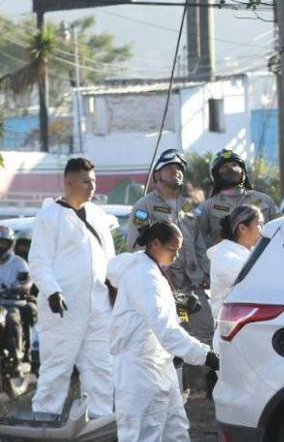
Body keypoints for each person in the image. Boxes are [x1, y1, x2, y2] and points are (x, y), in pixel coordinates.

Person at [107, 222, 222, 442]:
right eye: (173, 249)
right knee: (140, 434)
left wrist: (180, 302)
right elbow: (166, 330)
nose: (176, 256)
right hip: (139, 366)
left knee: (174, 431)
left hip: (158, 363)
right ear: (155, 244)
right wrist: (206, 355)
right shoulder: (143, 275)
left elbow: (157, 316)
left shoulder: (150, 270)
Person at [27, 157, 117, 417]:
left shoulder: (98, 216)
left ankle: (98, 424)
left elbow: (110, 260)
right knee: (57, 368)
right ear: (69, 182)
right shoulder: (50, 216)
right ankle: (44, 421)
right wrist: (52, 291)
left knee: (101, 368)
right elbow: (39, 260)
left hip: (98, 308)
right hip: (63, 309)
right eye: (86, 181)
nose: (92, 187)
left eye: (94, 181)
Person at [192, 149, 279, 341]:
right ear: (216, 174)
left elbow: (280, 234)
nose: (230, 169)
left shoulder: (265, 200)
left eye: (235, 165)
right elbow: (193, 240)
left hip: (264, 270)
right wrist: (204, 271)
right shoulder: (208, 206)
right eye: (224, 167)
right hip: (226, 271)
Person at [206, 204, 263, 442]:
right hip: (232, 342)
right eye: (259, 225)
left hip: (247, 341)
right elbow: (260, 281)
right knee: (237, 404)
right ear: (242, 228)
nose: (261, 231)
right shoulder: (228, 258)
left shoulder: (241, 254)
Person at [126, 148, 206, 316]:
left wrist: (206, 272)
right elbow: (135, 248)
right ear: (156, 175)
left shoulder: (187, 206)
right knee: (173, 335)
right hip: (165, 287)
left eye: (179, 169)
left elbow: (199, 244)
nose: (176, 171)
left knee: (206, 334)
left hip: (194, 286)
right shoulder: (144, 206)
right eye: (169, 168)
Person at [0, 224, 32, 368]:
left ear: (10, 244)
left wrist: (20, 287)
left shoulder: (18, 263)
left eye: (3, 242)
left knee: (11, 319)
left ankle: (17, 358)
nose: (0, 246)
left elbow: (27, 280)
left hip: (11, 303)